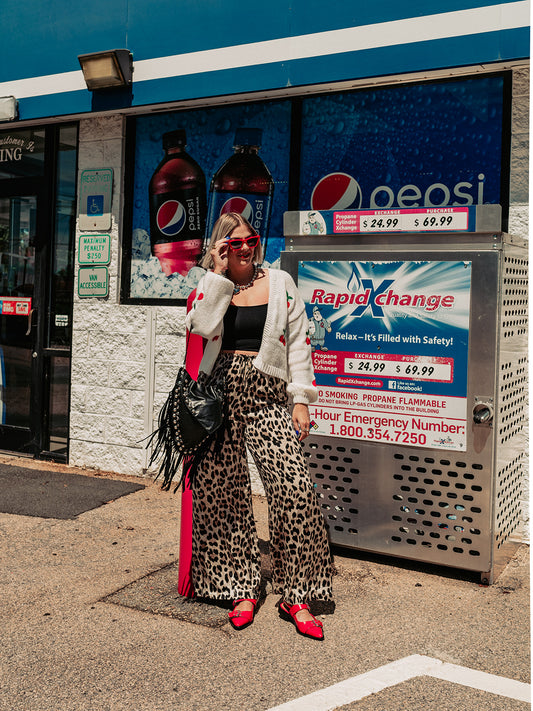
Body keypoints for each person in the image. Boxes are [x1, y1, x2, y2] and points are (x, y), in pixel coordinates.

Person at [185, 211, 333, 640]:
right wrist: (215, 274)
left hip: (268, 396)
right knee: (223, 495)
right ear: (221, 248)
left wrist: (301, 401)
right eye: (234, 243)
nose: (246, 247)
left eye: (250, 239)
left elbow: (300, 345)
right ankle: (240, 587)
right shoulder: (209, 284)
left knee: (295, 491)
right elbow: (201, 326)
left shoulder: (281, 282)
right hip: (219, 395)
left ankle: (296, 593)